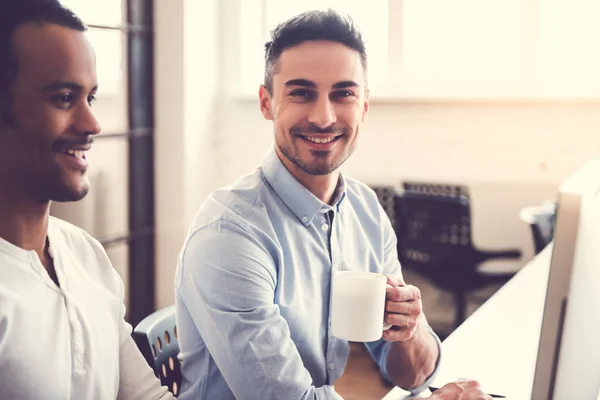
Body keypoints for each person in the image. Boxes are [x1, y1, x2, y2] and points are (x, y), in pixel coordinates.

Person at [175, 9, 491, 400]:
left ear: (364, 106)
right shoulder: (229, 235)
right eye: (301, 92)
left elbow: (413, 376)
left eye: (343, 93)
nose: (323, 117)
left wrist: (408, 331)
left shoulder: (364, 211)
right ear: (266, 103)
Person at [0, 1, 174, 399]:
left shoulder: (86, 255)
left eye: (90, 98)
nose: (92, 124)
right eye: (64, 98)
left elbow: (145, 395)